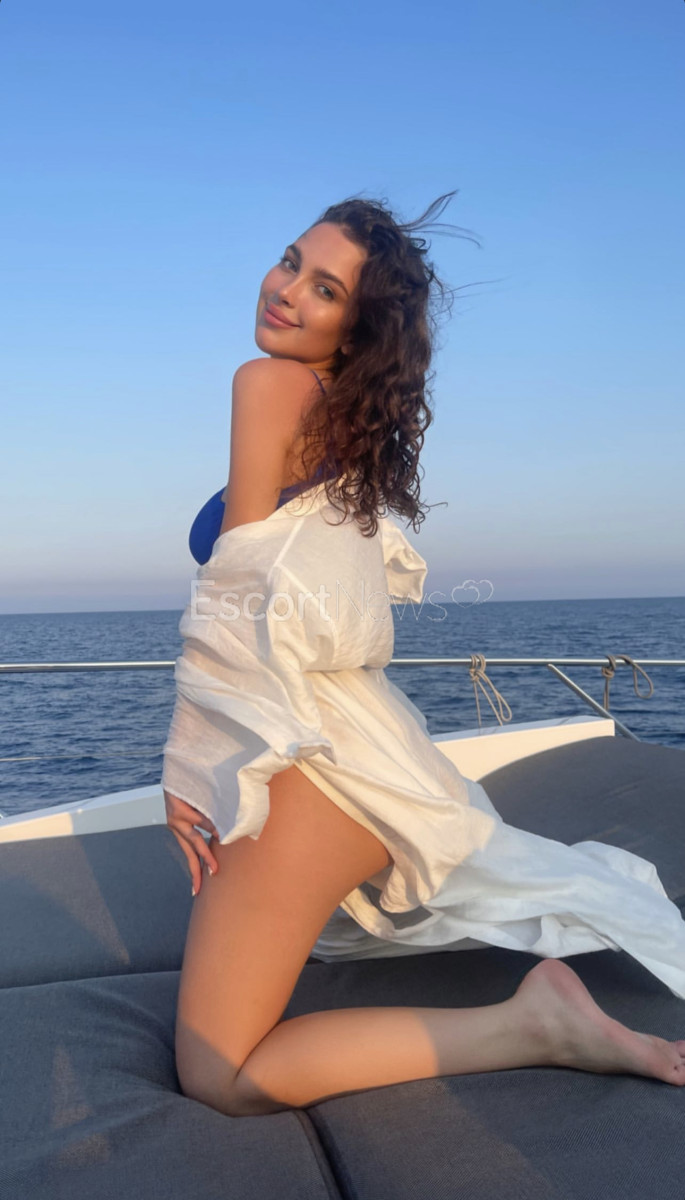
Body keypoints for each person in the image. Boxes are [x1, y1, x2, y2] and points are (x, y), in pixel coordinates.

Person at [163, 193, 685, 1118]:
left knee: (221, 1076)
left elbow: (240, 591)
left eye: (324, 290)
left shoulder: (268, 383)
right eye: (291, 261)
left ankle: (534, 1026)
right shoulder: (345, 424)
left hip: (310, 767)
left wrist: (187, 765)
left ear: (356, 326)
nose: (286, 290)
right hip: (359, 749)